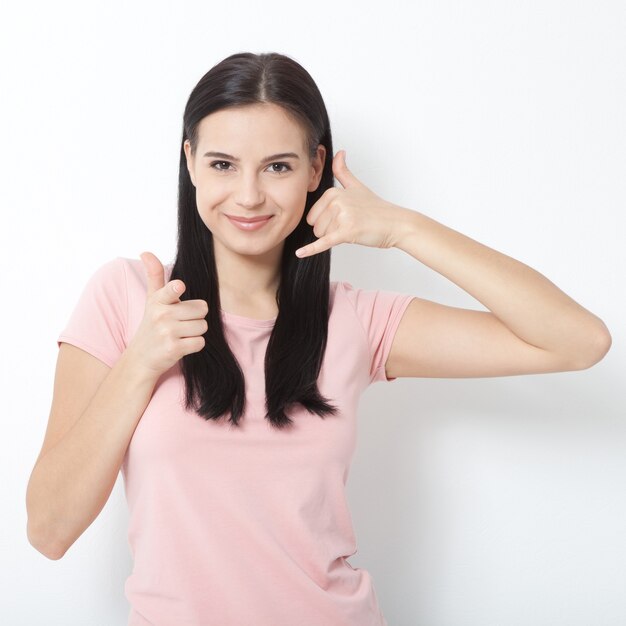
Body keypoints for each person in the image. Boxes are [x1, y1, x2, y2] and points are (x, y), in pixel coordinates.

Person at [26, 51, 611, 626]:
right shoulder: (127, 297)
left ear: (315, 169)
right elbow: (48, 531)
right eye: (223, 164)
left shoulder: (357, 321)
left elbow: (577, 341)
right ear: (190, 161)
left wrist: (404, 229)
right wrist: (139, 364)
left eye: (277, 166)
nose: (249, 196)